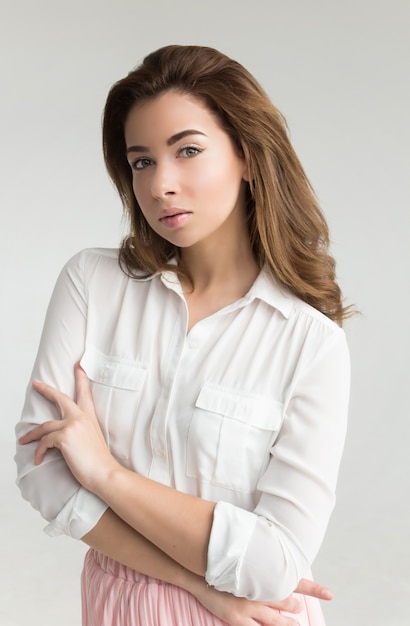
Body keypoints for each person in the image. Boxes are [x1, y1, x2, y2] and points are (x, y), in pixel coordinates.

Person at [15, 45, 351, 626]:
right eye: (141, 161)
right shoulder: (92, 284)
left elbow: (275, 565)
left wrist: (105, 474)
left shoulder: (309, 341)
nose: (160, 184)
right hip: (128, 603)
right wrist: (198, 584)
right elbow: (41, 476)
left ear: (247, 155)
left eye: (188, 151)